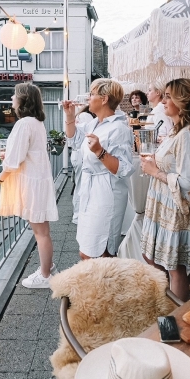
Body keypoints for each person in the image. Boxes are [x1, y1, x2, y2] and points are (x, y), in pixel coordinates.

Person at [140, 78, 190, 302]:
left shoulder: (187, 135)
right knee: (157, 259)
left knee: (175, 268)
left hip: (175, 210)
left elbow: (187, 182)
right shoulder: (178, 131)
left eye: (169, 96)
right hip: (165, 205)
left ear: (183, 102)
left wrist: (154, 171)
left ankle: (176, 318)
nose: (164, 100)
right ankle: (164, 304)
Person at [0, 83, 58, 289]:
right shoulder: (35, 122)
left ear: (23, 100)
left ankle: (46, 275)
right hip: (38, 180)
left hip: (33, 183)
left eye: (14, 96)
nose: (11, 99)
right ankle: (48, 268)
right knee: (42, 230)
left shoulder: (24, 124)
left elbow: (15, 159)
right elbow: (26, 154)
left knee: (40, 232)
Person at [63, 78, 134, 259]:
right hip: (90, 189)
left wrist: (100, 151)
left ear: (104, 99)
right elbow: (74, 138)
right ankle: (95, 285)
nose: (88, 97)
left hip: (106, 192)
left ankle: (105, 285)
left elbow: (124, 168)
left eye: (92, 93)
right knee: (86, 249)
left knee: (101, 251)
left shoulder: (119, 129)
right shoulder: (94, 123)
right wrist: (70, 116)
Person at [70, 105, 96, 225]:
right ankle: (78, 215)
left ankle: (78, 215)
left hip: (76, 153)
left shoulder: (80, 116)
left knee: (79, 184)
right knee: (81, 186)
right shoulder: (86, 116)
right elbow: (90, 134)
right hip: (80, 153)